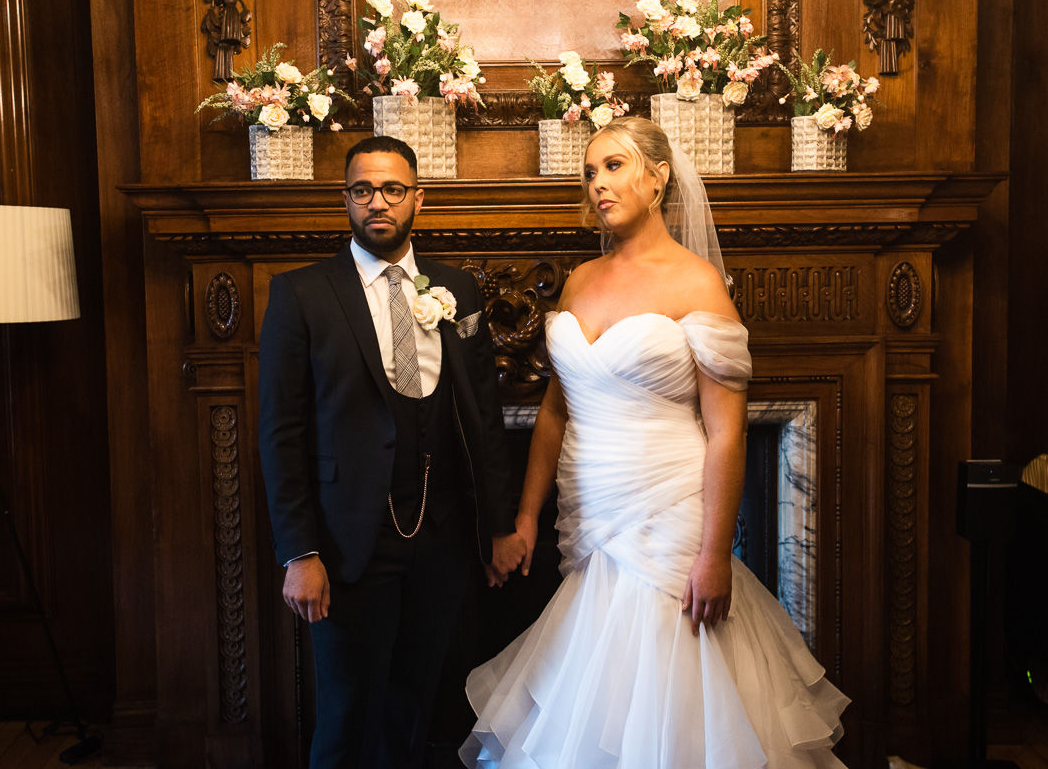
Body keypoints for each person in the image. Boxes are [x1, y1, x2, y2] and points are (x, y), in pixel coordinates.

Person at [460, 118, 849, 768]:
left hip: (670, 512)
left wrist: (715, 554)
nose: (597, 184)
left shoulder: (697, 284)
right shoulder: (580, 280)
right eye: (589, 172)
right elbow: (555, 410)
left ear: (659, 177)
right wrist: (526, 516)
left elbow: (727, 432)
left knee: (671, 685)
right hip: (590, 515)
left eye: (613, 166)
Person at [258, 135, 527, 768]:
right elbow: (281, 433)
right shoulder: (301, 294)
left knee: (416, 710)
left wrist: (497, 525)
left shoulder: (457, 289)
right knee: (348, 714)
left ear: (417, 199)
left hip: (441, 541)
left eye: (392, 189)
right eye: (363, 189)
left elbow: (483, 419)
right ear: (346, 199)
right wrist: (300, 553)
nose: (377, 201)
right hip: (347, 544)